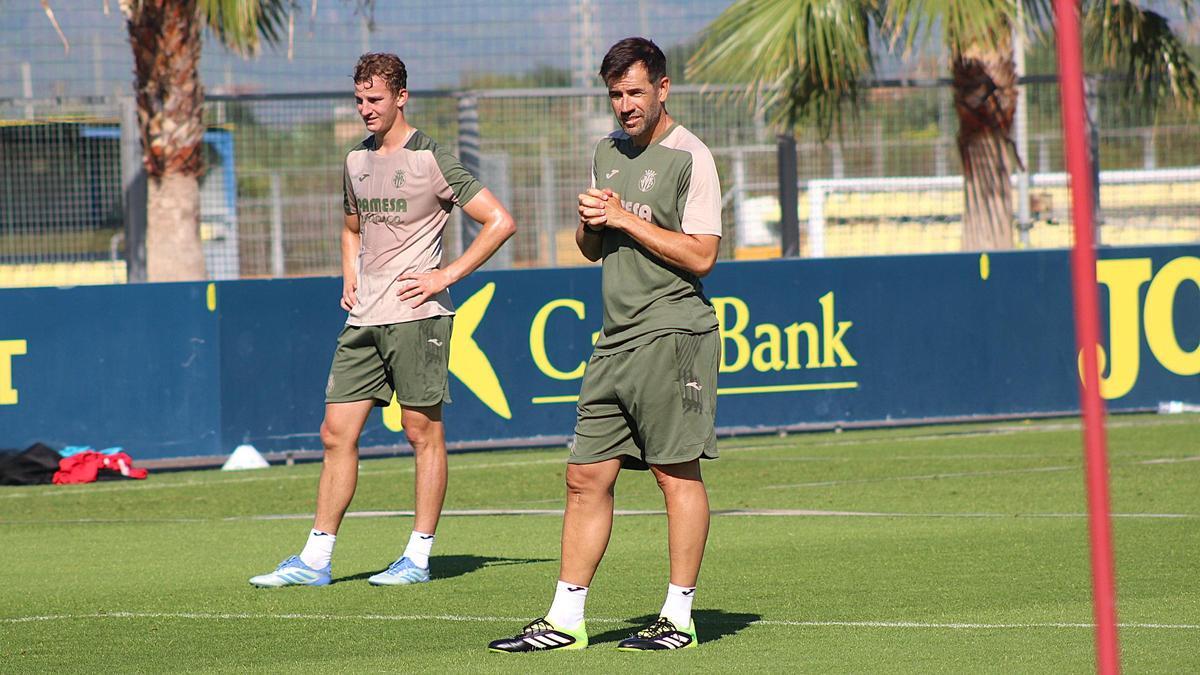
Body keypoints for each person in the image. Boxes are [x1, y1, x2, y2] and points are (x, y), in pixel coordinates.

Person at [488, 37, 721, 652]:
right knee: (585, 475)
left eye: (635, 92)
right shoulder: (606, 152)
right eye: (615, 95)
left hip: (673, 331)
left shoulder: (691, 155)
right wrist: (591, 221)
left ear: (663, 89)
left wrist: (625, 218)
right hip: (613, 338)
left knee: (675, 475)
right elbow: (594, 249)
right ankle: (565, 620)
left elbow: (703, 255)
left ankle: (678, 617)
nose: (624, 106)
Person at [250, 52, 516, 588]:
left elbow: (500, 221)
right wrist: (349, 273)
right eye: (358, 100)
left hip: (418, 317)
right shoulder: (355, 160)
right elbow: (351, 227)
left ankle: (417, 557)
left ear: (401, 97)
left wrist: (446, 276)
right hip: (364, 318)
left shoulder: (432, 159)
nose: (365, 109)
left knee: (422, 432)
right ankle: (316, 561)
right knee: (334, 433)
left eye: (374, 99)